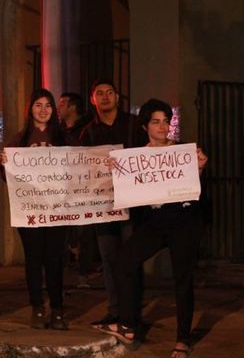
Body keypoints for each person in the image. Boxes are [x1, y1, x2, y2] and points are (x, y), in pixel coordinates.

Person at [97, 98, 208, 357]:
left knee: (182, 279)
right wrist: (118, 172)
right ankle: (127, 324)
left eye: (166, 121)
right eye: (156, 122)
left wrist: (200, 168)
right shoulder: (137, 155)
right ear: (145, 125)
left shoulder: (183, 152)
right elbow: (128, 190)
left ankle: (183, 340)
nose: (162, 127)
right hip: (155, 222)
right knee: (123, 261)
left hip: (184, 220)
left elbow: (196, 188)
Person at [79, 78, 147, 326]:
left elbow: (147, 155)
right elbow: (82, 168)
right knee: (109, 259)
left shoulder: (134, 125)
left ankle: (134, 310)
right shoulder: (88, 133)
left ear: (117, 97)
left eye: (110, 92)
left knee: (132, 256)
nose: (105, 97)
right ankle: (116, 309)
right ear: (93, 99)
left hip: (132, 204)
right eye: (100, 93)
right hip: (104, 206)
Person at [1, 89, 70, 330]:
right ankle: (37, 308)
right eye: (38, 105)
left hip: (57, 210)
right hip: (29, 211)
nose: (43, 110)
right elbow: (6, 177)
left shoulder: (64, 138)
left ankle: (58, 309)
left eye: (48, 105)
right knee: (34, 259)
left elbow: (80, 168)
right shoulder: (19, 140)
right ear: (30, 108)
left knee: (54, 259)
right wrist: (4, 165)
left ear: (54, 110)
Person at [57, 92, 96, 288]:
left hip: (83, 188)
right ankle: (62, 273)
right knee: (64, 231)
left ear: (72, 107)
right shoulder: (58, 131)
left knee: (85, 231)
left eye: (62, 103)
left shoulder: (87, 130)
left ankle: (83, 273)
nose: (58, 107)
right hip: (63, 188)